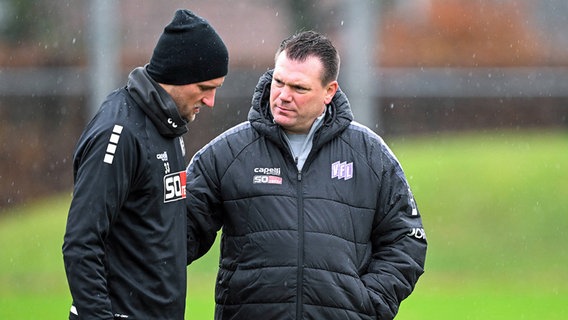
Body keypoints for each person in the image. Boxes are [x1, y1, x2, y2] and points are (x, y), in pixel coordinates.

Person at [186, 30, 427, 320]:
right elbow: (174, 236)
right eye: (278, 82)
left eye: (299, 88)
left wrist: (368, 304)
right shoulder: (226, 153)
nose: (283, 96)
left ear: (329, 91)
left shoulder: (371, 155)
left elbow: (406, 240)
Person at [62, 9, 228, 319]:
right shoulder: (120, 132)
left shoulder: (168, 126)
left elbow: (159, 234)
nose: (210, 101)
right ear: (177, 77)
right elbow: (81, 243)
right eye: (205, 88)